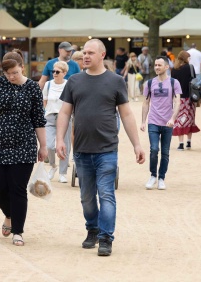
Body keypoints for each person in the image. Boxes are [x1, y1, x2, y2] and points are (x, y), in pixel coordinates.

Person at [56, 39, 145, 257]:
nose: (85, 56)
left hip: (107, 149)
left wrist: (137, 144)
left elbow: (126, 114)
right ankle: (92, 229)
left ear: (102, 55)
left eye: (90, 53)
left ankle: (106, 238)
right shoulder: (74, 81)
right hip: (82, 150)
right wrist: (60, 139)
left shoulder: (115, 81)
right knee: (86, 197)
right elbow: (65, 112)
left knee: (106, 194)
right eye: (83, 52)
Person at [0, 49, 47, 247]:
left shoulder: (33, 88)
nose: (11, 76)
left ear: (22, 68)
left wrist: (44, 146)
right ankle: (9, 214)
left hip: (24, 145)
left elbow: (39, 119)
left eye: (14, 72)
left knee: (17, 189)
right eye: (8, 73)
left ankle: (18, 231)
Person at [141, 57, 181, 190]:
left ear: (166, 67)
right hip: (153, 121)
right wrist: (143, 121)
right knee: (154, 149)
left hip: (167, 123)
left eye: (160, 65)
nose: (157, 67)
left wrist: (173, 119)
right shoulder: (149, 83)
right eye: (155, 65)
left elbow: (177, 102)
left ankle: (161, 178)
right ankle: (153, 175)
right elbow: (145, 103)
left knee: (165, 152)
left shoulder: (174, 83)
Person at [43, 61, 71, 183]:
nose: (54, 73)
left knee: (65, 145)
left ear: (64, 73)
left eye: (57, 71)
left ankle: (63, 173)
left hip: (64, 118)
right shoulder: (48, 85)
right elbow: (44, 101)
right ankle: (53, 166)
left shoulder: (68, 85)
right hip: (49, 117)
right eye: (53, 71)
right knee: (49, 145)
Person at [171, 51, 201, 150]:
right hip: (190, 97)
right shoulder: (189, 67)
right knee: (190, 119)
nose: (190, 59)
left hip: (178, 98)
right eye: (189, 57)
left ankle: (180, 144)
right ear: (185, 58)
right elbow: (194, 81)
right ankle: (189, 142)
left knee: (180, 119)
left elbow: (172, 84)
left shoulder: (174, 70)